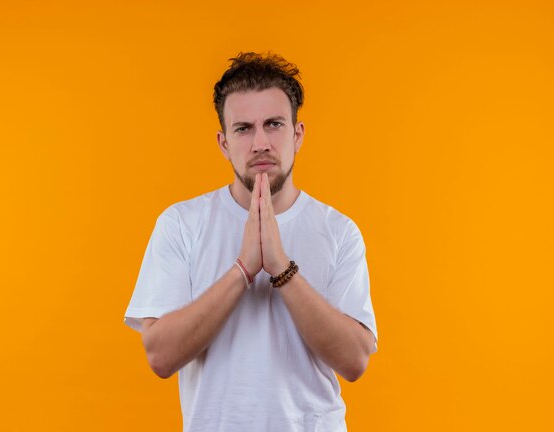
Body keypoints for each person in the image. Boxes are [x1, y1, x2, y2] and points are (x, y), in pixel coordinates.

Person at [124, 52, 378, 432]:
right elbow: (159, 355)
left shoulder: (339, 231)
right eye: (243, 129)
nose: (260, 142)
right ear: (224, 143)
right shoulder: (181, 224)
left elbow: (355, 361)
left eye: (274, 124)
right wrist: (243, 269)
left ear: (298, 134)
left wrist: (282, 269)